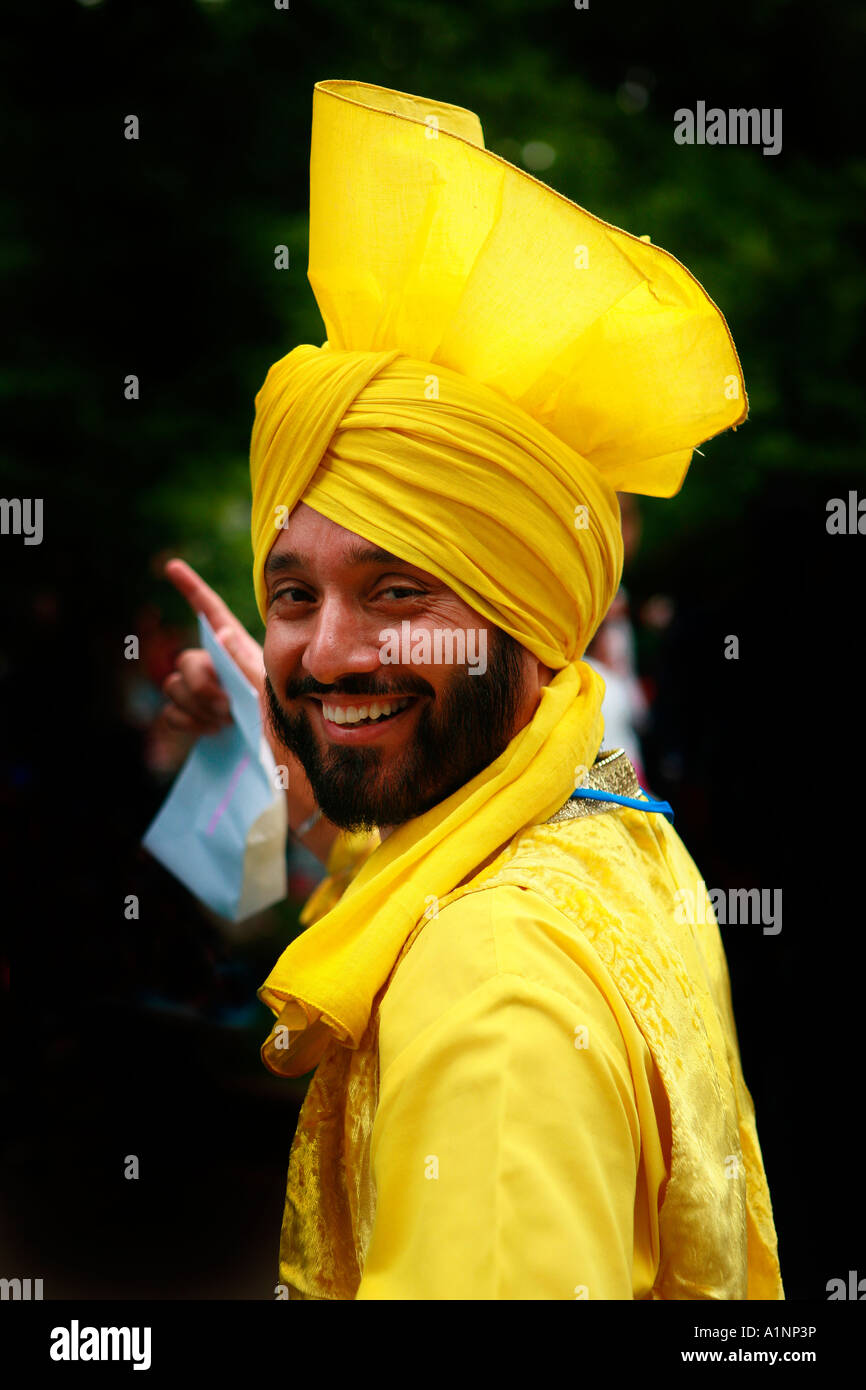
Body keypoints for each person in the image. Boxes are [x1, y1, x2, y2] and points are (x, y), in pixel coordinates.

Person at [158, 79, 783, 1300]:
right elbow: (403, 884)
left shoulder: (492, 991)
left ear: (535, 618)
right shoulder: (602, 821)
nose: (329, 650)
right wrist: (288, 773)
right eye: (296, 596)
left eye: (399, 593)